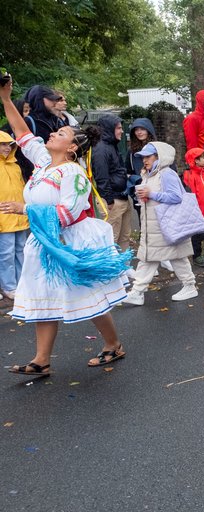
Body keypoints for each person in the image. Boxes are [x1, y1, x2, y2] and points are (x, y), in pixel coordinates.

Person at [1, 74, 127, 376]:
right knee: (42, 295)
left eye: (61, 134)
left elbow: (69, 213)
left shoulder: (73, 172)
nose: (53, 134)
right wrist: (6, 98)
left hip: (71, 241)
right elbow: (21, 132)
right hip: (44, 240)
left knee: (87, 295)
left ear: (71, 148)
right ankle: (41, 359)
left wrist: (24, 208)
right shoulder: (45, 162)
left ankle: (113, 344)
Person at [123, 142, 199, 305]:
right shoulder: (149, 174)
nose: (144, 160)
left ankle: (188, 286)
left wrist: (152, 194)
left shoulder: (166, 173)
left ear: (159, 157)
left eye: (148, 156)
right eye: (143, 157)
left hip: (165, 225)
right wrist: (144, 197)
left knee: (165, 257)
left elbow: (176, 197)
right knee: (151, 257)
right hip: (156, 226)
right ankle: (138, 291)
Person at [92, 114, 132, 251]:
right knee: (111, 240)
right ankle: (113, 271)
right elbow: (101, 177)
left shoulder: (111, 145)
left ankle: (125, 267)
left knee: (125, 236)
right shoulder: (101, 149)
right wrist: (109, 200)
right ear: (108, 129)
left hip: (122, 196)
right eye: (118, 128)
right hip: (112, 200)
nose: (122, 131)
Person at [0, 131, 28, 300]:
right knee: (6, 253)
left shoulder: (15, 166)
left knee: (21, 251)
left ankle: (21, 284)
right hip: (4, 217)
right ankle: (9, 286)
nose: (6, 148)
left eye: (9, 145)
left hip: (18, 215)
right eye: (2, 144)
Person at [125, 117, 158, 219]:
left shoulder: (158, 147)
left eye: (142, 129)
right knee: (142, 221)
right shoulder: (131, 152)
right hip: (140, 193)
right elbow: (128, 170)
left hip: (156, 191)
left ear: (148, 130)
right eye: (136, 129)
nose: (139, 132)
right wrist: (134, 180)